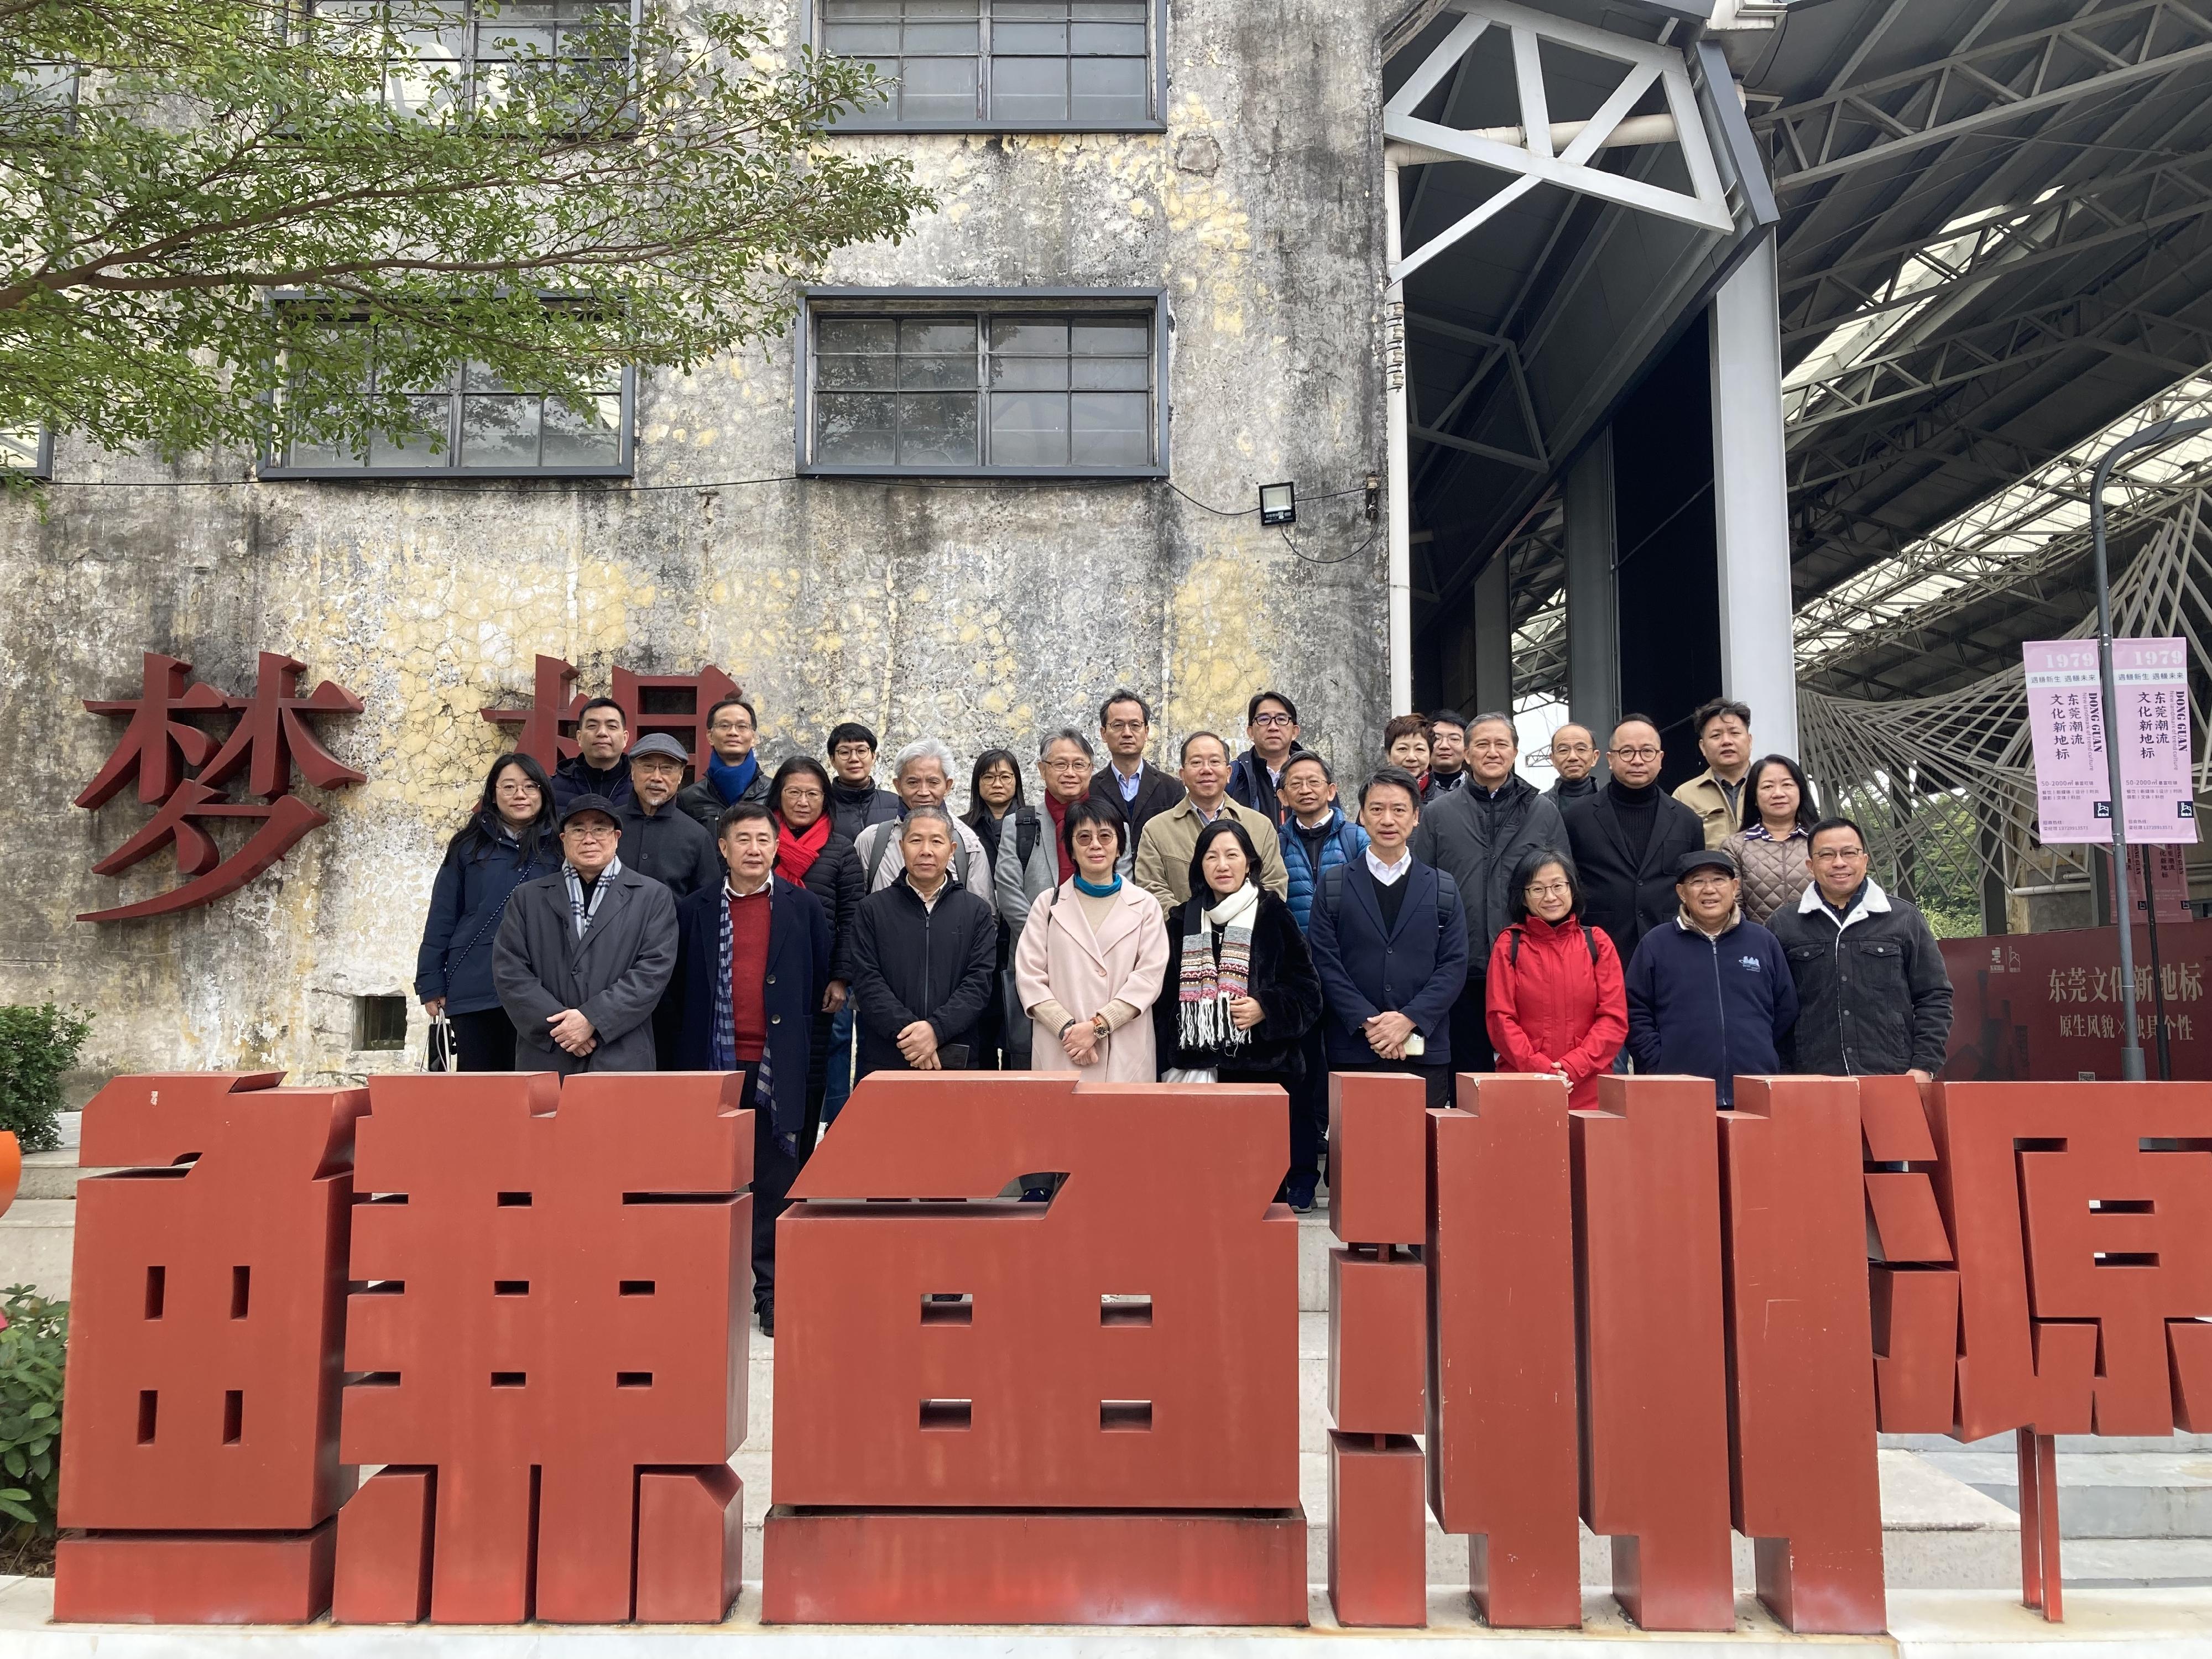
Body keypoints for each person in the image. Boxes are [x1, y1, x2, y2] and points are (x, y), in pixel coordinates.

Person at [665, 802, 831, 1337]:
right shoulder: (694, 909)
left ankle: (771, 1291)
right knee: (708, 1181)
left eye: (763, 839)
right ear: (723, 847)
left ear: (777, 846)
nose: (754, 850)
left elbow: (818, 982)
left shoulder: (803, 909)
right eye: (743, 840)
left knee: (776, 1181)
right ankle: (703, 1289)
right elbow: (676, 993)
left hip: (775, 1063)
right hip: (712, 1062)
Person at [1155, 820, 1323, 1204]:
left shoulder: (1273, 914)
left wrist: (1266, 1008)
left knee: (1260, 1194)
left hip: (1263, 1074)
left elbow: (1309, 992)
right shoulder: (1182, 920)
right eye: (1212, 856)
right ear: (1199, 866)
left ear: (1249, 862)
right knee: (1202, 1194)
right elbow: (1163, 1001)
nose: (1222, 865)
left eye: (1232, 855)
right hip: (1197, 1072)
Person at [1411, 711, 1566, 1082]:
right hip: (1459, 965)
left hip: (1527, 961)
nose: (1492, 752)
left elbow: (1563, 887)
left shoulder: (1543, 811)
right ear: (1466, 754)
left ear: (1515, 752)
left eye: (1501, 744)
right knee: (1467, 1071)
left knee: (1525, 1067)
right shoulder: (1437, 814)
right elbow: (1420, 884)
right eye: (1482, 744)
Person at [1308, 767, 1469, 1108]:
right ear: (1362, 816)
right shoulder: (1335, 884)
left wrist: (1408, 1020)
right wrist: (1371, 1023)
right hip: (1354, 1048)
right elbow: (1325, 961)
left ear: (1415, 818)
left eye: (1399, 810)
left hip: (1424, 1048)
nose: (1388, 819)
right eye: (1377, 809)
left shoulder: (1442, 887)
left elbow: (1453, 965)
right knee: (1356, 1156)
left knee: (1422, 1154)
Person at [491, 793, 677, 1074]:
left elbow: (653, 971)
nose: (589, 839)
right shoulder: (528, 898)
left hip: (621, 1051)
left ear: (616, 837)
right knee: (548, 1119)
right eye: (578, 830)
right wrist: (564, 1030)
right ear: (564, 839)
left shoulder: (652, 897)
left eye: (600, 829)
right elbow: (510, 970)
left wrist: (593, 1019)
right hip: (549, 1052)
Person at [1772, 817, 1954, 1081]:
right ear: (1810, 866)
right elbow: (1772, 1007)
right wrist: (1785, 1071)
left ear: (1865, 860)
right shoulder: (1785, 924)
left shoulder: (1903, 918)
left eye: (1849, 853)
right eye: (1827, 855)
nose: (1839, 863)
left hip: (1892, 1075)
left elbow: (1934, 996)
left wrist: (1924, 1065)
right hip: (1812, 1079)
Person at [1623, 848, 1796, 1108]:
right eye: (1697, 882)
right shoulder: (1656, 944)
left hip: (1755, 1089)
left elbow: (1786, 1008)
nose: (1709, 889)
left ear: (1735, 886)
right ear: (1682, 892)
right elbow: (1634, 1009)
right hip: (1679, 1092)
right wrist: (1657, 1063)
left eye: (1718, 879)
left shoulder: (1762, 941)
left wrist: (1762, 1053)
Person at [1016, 796, 1171, 1088]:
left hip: (1125, 1048)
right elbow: (1030, 978)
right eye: (1084, 837)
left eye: (1105, 836)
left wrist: (1099, 1027)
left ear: (1119, 845)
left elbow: (1149, 978)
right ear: (1071, 848)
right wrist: (1069, 1030)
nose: (1095, 845)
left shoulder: (1145, 906)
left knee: (1123, 1130)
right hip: (1063, 1048)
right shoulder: (1046, 905)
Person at [416, 752, 557, 1071]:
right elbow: (442, 916)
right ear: (493, 794)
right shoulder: (468, 846)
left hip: (543, 988)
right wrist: (431, 982)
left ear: (544, 794)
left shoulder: (560, 847)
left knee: (538, 1089)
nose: (519, 795)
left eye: (530, 786)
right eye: (508, 787)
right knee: (481, 1093)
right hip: (475, 983)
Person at [1274, 750, 1366, 1197]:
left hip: (1348, 976)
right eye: (1296, 783)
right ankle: (1303, 1177)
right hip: (1297, 981)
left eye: (1314, 781)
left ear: (1332, 790)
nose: (1306, 789)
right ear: (1283, 795)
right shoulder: (1274, 843)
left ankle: (1346, 1179)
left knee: (1345, 1075)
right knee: (1302, 1078)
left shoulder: (1357, 839)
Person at [848, 807, 999, 1077]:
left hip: (955, 1056)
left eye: (937, 841)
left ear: (952, 849)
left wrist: (935, 1031)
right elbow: (867, 982)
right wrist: (912, 1037)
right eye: (916, 840)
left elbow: (978, 984)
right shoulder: (872, 909)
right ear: (901, 846)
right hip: (886, 1057)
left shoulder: (976, 911)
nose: (926, 850)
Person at [1484, 848, 1626, 1108]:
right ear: (1524, 898)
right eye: (1537, 889)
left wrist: (1574, 1067)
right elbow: (1500, 1019)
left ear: (1572, 889)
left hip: (1590, 1086)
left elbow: (1614, 1019)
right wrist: (1541, 1070)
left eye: (1558, 886)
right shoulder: (1509, 944)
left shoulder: (1597, 942)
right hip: (1524, 1083)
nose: (1550, 897)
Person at [767, 757, 865, 1124]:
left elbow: (852, 918)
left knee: (810, 1073)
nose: (803, 801)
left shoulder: (841, 851)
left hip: (817, 980)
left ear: (826, 798)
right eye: (794, 792)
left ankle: (805, 1159)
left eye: (812, 793)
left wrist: (840, 978)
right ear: (779, 795)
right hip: (764, 973)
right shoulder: (761, 844)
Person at [1562, 715, 1706, 963]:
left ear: (1661, 758)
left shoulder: (1687, 821)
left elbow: (1695, 887)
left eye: (1647, 751)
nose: (1637, 760)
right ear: (1610, 759)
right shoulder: (1575, 818)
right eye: (1627, 751)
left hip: (1671, 950)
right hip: (1597, 950)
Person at [963, 746, 1057, 1067]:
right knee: (984, 1028)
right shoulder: (963, 830)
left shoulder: (1031, 825)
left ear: (1018, 781)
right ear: (977, 784)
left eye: (1006, 776)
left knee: (1022, 1032)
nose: (997, 783)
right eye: (988, 777)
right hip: (980, 941)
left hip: (1022, 939)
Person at [1135, 732, 1290, 914]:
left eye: (1215, 762)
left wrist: (1237, 922)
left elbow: (1274, 885)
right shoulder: (1156, 830)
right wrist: (1190, 923)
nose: (1206, 769)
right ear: (1183, 775)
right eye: (1196, 763)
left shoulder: (1260, 826)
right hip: (1181, 937)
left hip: (1250, 937)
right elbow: (1151, 890)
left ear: (1228, 772)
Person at [852, 738, 997, 909]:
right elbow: (855, 910)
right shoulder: (872, 841)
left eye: (933, 782)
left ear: (947, 786)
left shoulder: (968, 843)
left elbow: (984, 916)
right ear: (898, 786)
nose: (923, 792)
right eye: (913, 782)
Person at [615, 733, 722, 900]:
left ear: (680, 776)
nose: (657, 778)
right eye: (648, 767)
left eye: (667, 768)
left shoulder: (697, 836)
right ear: (633, 772)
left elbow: (706, 902)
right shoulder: (610, 825)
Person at [1090, 688, 1186, 865]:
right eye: (1118, 725)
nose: (1127, 733)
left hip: (1157, 886)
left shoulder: (1172, 789)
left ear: (1146, 731)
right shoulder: (1090, 789)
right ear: (1104, 733)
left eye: (1135, 725)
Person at [1723, 754, 1818, 924]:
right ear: (1755, 798)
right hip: (1759, 946)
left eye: (1787, 785)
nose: (1778, 794)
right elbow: (1732, 907)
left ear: (1801, 792)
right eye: (1767, 787)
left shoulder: (1821, 841)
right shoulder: (1734, 846)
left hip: (1818, 945)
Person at [676, 696, 770, 830]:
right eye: (724, 726)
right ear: (710, 736)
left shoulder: (773, 793)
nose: (733, 732)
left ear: (753, 738)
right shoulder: (689, 799)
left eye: (742, 726)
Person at [1674, 697, 1756, 849]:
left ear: (1750, 741)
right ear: (1703, 747)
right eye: (1716, 736)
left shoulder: (1772, 788)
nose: (1726, 741)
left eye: (1734, 733)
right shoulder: (1684, 796)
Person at [1228, 690, 1303, 821]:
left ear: (1294, 732)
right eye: (1264, 719)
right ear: (1251, 732)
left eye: (1281, 719)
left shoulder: (1316, 775)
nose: (1273, 727)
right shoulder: (1233, 776)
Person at [551, 697, 635, 813]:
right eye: (592, 726)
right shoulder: (553, 788)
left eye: (612, 726)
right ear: (579, 737)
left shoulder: (640, 786)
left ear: (625, 738)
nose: (602, 733)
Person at [825, 721, 902, 842]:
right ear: (832, 760)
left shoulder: (897, 804)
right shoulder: (822, 806)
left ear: (873, 756)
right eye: (844, 752)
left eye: (861, 751)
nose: (854, 759)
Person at [1547, 723, 1600, 803]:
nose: (1573, 757)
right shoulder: (1537, 808)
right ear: (1553, 759)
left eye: (1581, 749)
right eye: (1563, 750)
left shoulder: (1611, 803)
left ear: (1594, 757)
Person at [1383, 714, 1432, 794]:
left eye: (1420, 749)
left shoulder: (1446, 801)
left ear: (1430, 754)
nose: (1411, 757)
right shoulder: (1374, 794)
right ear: (1388, 754)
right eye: (1403, 749)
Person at [1426, 711, 1469, 796]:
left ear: (1467, 748)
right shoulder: (1414, 789)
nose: (1444, 746)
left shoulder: (1481, 790)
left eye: (1454, 739)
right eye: (1436, 738)